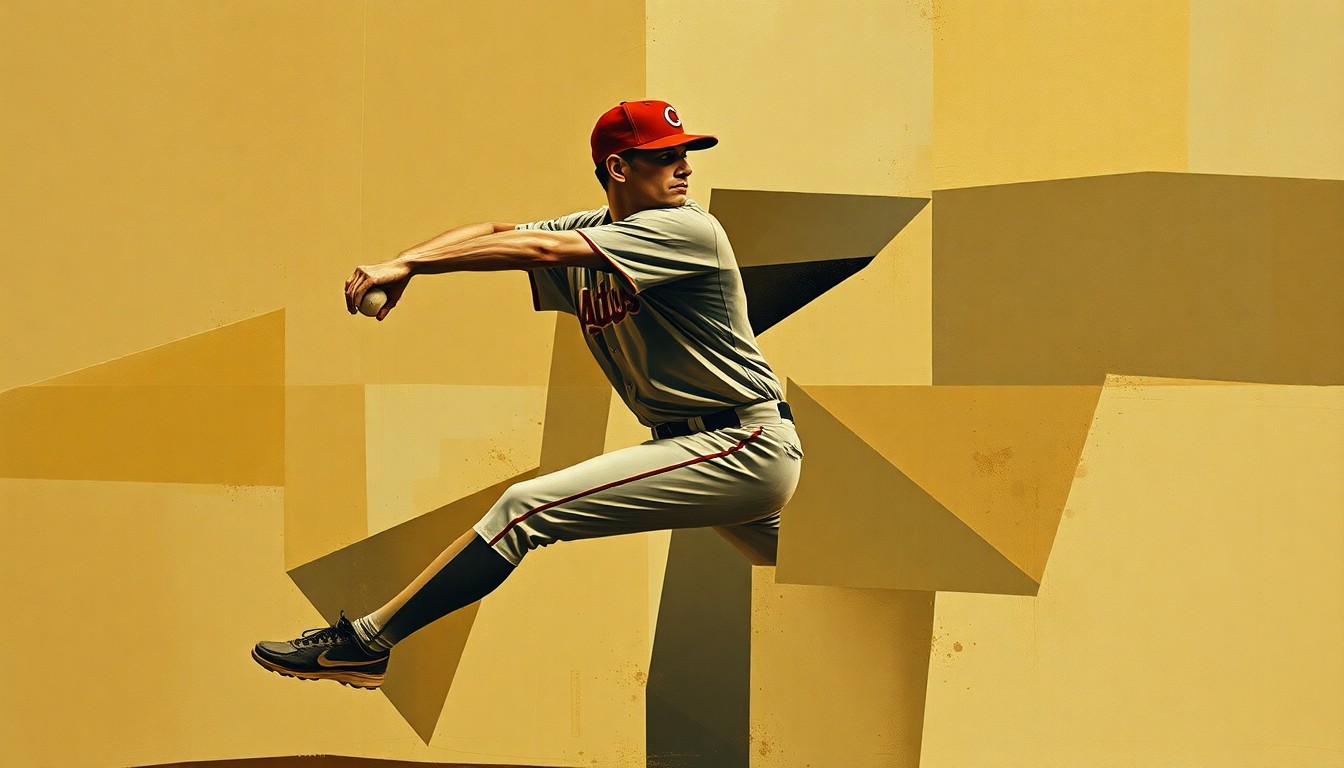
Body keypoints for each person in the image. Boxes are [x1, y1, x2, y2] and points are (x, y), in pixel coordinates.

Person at [251, 100, 804, 689]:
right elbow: (497, 233)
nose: (685, 167)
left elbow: (539, 250)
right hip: (705, 449)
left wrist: (410, 264)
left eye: (685, 154)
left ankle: (365, 645)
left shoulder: (687, 229)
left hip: (741, 443)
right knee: (817, 561)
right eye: (665, 156)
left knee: (523, 510)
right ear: (619, 168)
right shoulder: (597, 229)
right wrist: (405, 263)